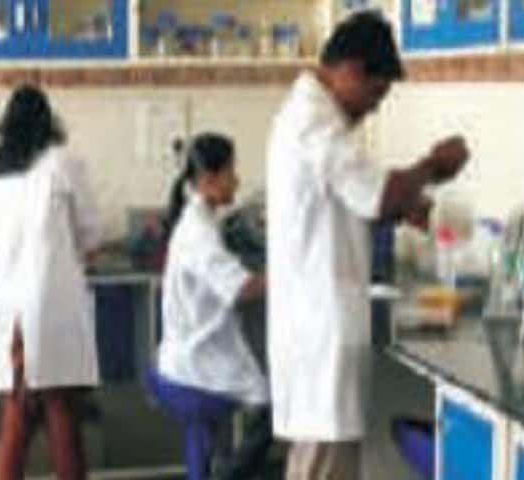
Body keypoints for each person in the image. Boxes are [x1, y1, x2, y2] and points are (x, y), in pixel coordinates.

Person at [266, 10, 470, 480]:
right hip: (320, 332)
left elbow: (356, 198)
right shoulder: (315, 123)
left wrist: (403, 205)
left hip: (319, 327)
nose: (374, 109)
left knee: (321, 463)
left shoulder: (315, 118)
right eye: (376, 94)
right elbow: (379, 196)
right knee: (322, 466)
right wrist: (432, 166)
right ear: (351, 70)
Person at [0, 85, 102, 480]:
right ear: (49, 122)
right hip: (52, 306)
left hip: (9, 310)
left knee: (16, 415)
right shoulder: (64, 163)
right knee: (62, 413)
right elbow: (91, 234)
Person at [147, 133, 272, 480]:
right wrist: (289, 275)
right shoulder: (198, 232)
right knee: (272, 410)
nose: (237, 181)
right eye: (231, 172)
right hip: (196, 368)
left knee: (259, 395)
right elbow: (242, 288)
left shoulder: (200, 222)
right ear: (208, 179)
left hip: (190, 358)